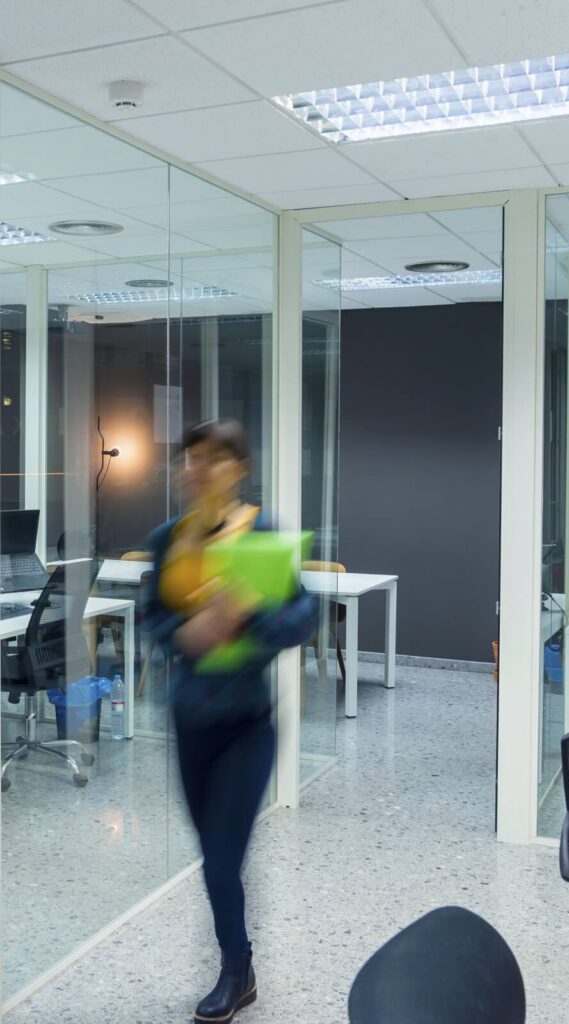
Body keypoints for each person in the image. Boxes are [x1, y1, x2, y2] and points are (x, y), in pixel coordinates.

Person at [145, 420, 317, 1024]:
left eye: (213, 458)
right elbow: (152, 618)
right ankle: (238, 961)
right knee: (212, 856)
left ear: (239, 469)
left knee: (221, 860)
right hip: (190, 723)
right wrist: (185, 632)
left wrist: (247, 618)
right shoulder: (168, 539)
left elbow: (303, 616)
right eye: (190, 457)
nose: (197, 468)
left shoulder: (263, 535)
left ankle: (236, 968)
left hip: (247, 725)